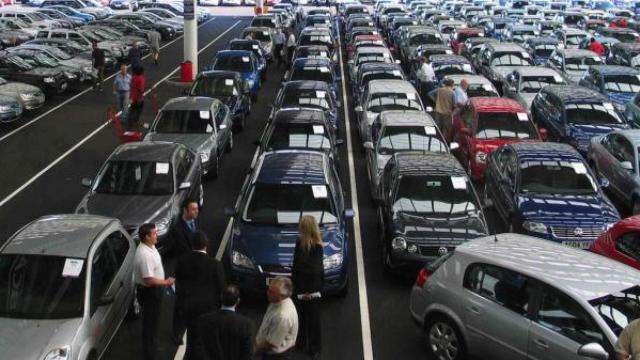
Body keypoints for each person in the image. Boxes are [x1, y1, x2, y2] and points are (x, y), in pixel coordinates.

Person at [174, 231, 226, 360]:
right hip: (209, 309)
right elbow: (222, 288)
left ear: (192, 245)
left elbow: (179, 286)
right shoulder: (215, 264)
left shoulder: (182, 262)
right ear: (206, 245)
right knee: (206, 342)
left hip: (189, 307)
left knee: (192, 339)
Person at [134, 223, 175, 360]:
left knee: (153, 320)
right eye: (154, 234)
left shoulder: (149, 247)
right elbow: (148, 280)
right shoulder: (145, 255)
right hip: (150, 292)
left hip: (153, 291)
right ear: (147, 237)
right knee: (150, 323)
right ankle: (149, 354)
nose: (157, 235)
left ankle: (151, 345)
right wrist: (166, 282)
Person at [168, 197, 200, 345]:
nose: (196, 212)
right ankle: (176, 333)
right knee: (181, 305)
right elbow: (184, 251)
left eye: (197, 209)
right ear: (185, 210)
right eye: (193, 209)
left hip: (196, 269)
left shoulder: (195, 222)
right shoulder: (177, 230)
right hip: (185, 272)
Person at [292, 215, 324, 360]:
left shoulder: (313, 246)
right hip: (311, 289)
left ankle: (310, 345)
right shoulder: (315, 245)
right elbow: (316, 271)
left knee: (308, 318)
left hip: (307, 289)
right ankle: (308, 345)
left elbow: (302, 268)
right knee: (307, 318)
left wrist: (303, 289)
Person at [198, 285, 254, 360]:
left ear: (221, 297)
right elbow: (247, 354)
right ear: (238, 301)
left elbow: (200, 349)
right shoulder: (246, 324)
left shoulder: (205, 320)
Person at [255, 277, 299, 360]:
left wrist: (256, 350)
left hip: (276, 356)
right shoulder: (276, 302)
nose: (267, 293)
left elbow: (271, 344)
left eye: (271, 292)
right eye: (268, 290)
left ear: (282, 295)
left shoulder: (283, 316)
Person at [433, 78, 455, 142]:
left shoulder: (440, 90)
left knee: (438, 128)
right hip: (447, 113)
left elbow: (431, 94)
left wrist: (436, 101)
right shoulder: (452, 92)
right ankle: (444, 143)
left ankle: (437, 141)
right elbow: (454, 104)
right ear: (452, 85)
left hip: (438, 111)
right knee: (446, 129)